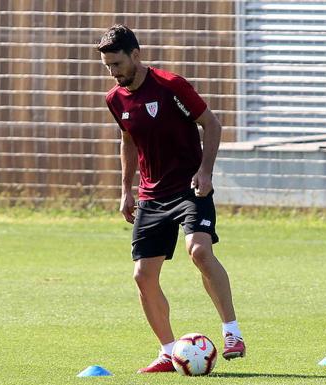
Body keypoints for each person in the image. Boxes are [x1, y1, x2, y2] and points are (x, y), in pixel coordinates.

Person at [97, 24, 246, 373]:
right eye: (107, 67)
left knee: (200, 251)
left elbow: (212, 124)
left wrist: (205, 171)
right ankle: (168, 352)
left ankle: (232, 333)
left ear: (136, 55)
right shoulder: (115, 99)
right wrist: (125, 188)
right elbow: (128, 141)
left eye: (117, 64)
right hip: (152, 194)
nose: (113, 73)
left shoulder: (170, 86)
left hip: (190, 188)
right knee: (142, 276)